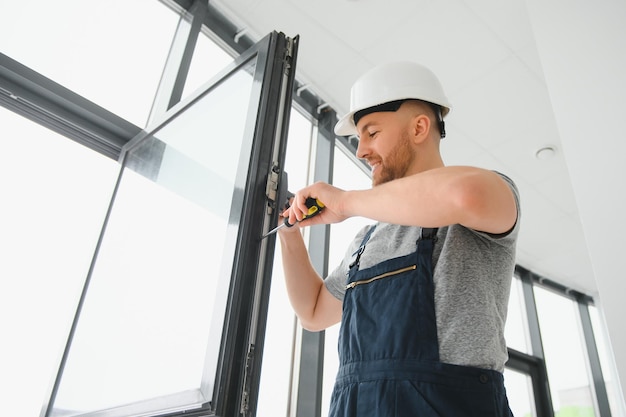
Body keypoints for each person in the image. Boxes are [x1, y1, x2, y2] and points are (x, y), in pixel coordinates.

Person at [277, 61, 519, 416]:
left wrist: (346, 202)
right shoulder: (366, 240)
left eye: (371, 133)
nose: (360, 150)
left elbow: (464, 196)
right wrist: (290, 233)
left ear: (420, 127)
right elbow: (312, 312)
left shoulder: (488, 192)